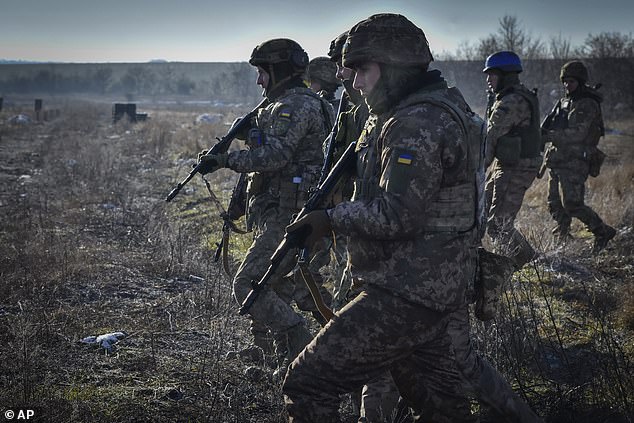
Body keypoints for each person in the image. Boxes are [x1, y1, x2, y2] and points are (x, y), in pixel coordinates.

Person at [283, 14, 482, 422]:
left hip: (407, 290)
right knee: (441, 405)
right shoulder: (418, 111)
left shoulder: (415, 122)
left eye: (362, 69)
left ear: (393, 67)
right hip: (427, 285)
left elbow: (399, 214)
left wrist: (330, 219)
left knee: (308, 382)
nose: (354, 82)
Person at [195, 38, 334, 375]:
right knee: (279, 285)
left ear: (279, 71)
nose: (259, 81)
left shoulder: (296, 106)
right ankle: (288, 356)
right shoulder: (280, 104)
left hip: (291, 215)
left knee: (248, 285)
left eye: (262, 73)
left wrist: (225, 160)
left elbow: (276, 156)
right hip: (279, 211)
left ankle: (303, 347)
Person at [542, 60, 616, 253]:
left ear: (581, 82)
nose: (567, 85)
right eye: (565, 81)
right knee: (554, 202)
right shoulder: (565, 102)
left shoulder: (587, 104)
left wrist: (550, 136)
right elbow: (550, 124)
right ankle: (563, 234)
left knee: (572, 204)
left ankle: (602, 231)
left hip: (576, 160)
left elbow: (577, 134)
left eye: (572, 81)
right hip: (558, 158)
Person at [482, 51, 542, 270]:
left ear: (506, 75)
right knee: (485, 209)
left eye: (492, 75)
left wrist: (478, 171)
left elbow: (491, 136)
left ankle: (529, 263)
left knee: (499, 224)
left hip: (516, 166)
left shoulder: (511, 101)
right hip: (507, 163)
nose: (488, 80)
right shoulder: (514, 95)